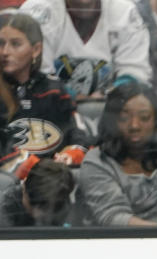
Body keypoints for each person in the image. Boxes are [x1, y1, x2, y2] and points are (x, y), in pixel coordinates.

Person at [77, 81, 157, 225]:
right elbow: (113, 217)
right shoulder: (97, 161)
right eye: (124, 118)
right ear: (112, 121)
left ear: (156, 120)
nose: (134, 126)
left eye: (144, 118)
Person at [0, 12, 92, 165]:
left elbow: (78, 133)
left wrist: (71, 154)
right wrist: (26, 164)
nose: (5, 52)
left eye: (15, 44)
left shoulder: (55, 90)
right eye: (1, 43)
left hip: (50, 177)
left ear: (36, 50)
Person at [19, 0, 152, 100]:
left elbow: (135, 72)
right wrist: (69, 95)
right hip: (52, 110)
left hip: (113, 113)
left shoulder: (125, 11)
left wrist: (110, 94)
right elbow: (34, 76)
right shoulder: (37, 11)